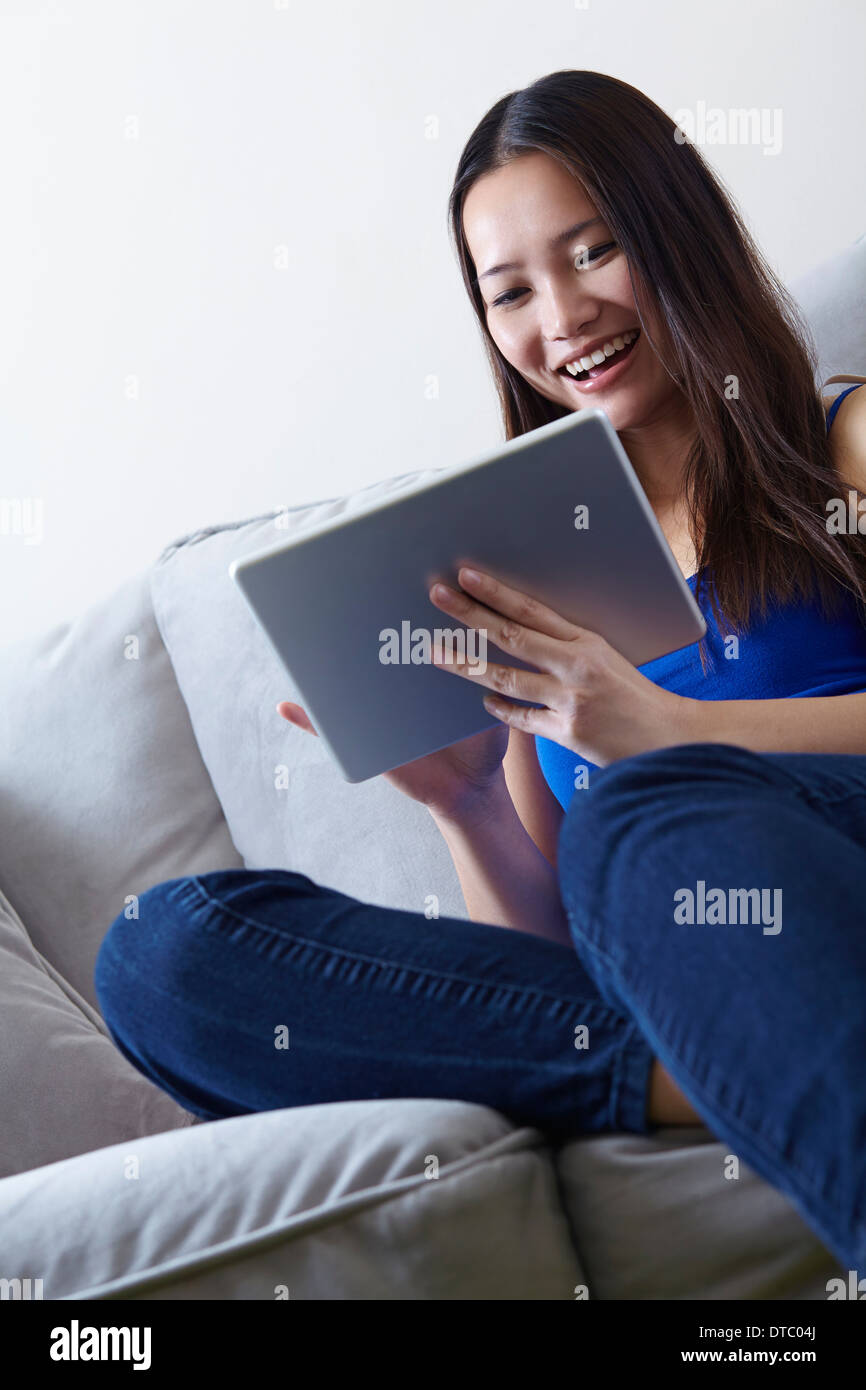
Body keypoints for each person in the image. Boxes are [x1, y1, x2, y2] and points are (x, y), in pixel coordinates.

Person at [94, 70, 866, 1274]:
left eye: (594, 250)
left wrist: (660, 732)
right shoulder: (530, 549)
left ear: (679, 232)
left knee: (643, 821)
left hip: (823, 875)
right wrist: (464, 807)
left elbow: (643, 825)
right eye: (508, 291)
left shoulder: (838, 440)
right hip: (662, 957)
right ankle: (697, 1067)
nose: (558, 317)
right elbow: (562, 956)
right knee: (162, 948)